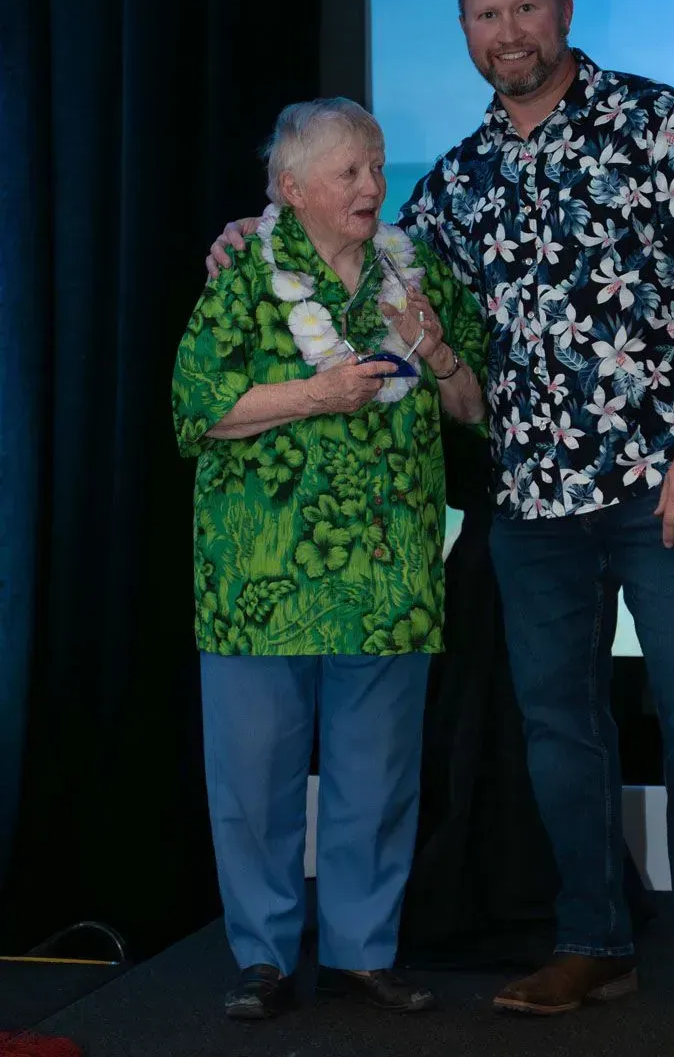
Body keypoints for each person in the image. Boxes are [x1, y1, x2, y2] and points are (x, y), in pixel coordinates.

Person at [206, 0, 674, 1041]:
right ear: (464, 33)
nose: (508, 33)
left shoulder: (659, 124)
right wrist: (253, 235)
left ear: (560, 9)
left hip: (667, 491)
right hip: (530, 509)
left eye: (524, 10)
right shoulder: (456, 179)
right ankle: (593, 945)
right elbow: (366, 269)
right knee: (559, 735)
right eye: (485, 18)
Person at [172, 98, 486, 1021]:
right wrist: (316, 396)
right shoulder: (242, 278)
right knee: (255, 783)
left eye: (378, 167)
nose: (372, 187)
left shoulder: (413, 269)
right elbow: (196, 409)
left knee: (379, 780)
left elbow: (473, 406)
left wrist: (427, 337)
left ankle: (362, 952)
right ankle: (262, 959)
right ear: (292, 188)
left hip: (390, 575)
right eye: (348, 172)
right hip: (260, 577)